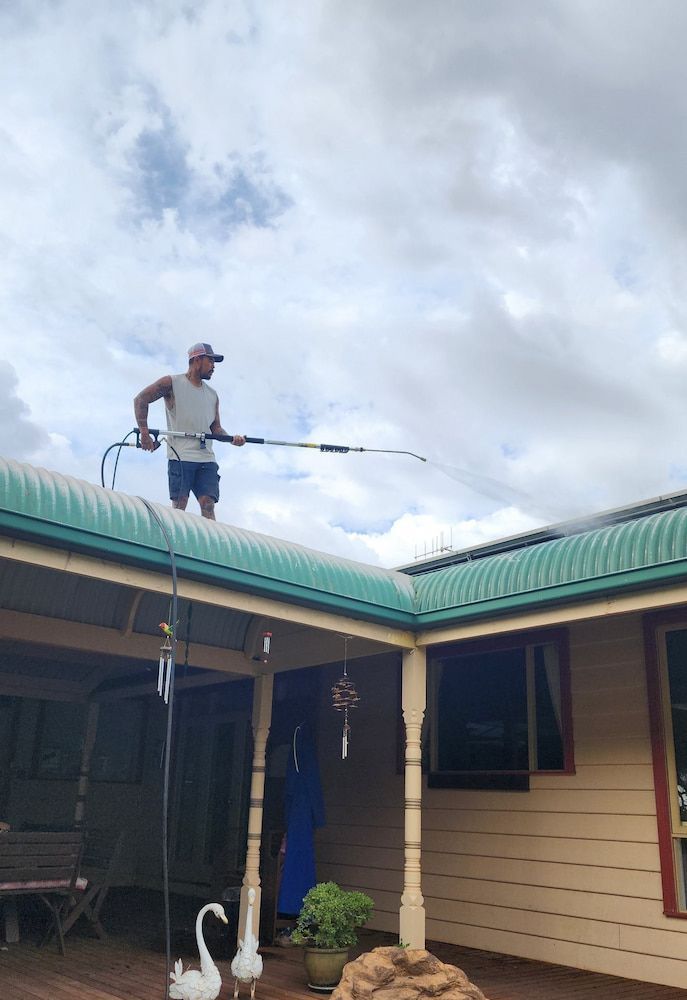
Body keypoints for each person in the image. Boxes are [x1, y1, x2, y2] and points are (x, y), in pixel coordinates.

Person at [134, 342, 245, 520]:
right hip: (180, 455)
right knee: (179, 505)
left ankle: (212, 543)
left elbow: (215, 428)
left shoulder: (212, 395)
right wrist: (144, 433)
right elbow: (141, 400)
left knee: (208, 504)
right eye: (210, 361)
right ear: (197, 360)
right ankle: (175, 542)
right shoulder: (171, 383)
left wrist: (232, 439)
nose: (213, 366)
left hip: (205, 458)